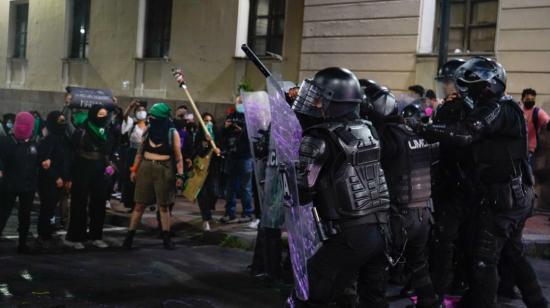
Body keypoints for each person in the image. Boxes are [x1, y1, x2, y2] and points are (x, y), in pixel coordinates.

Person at [420, 57, 547, 308]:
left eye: (469, 86)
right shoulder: (506, 106)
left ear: (485, 86)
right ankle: (537, 301)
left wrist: (424, 128)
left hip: (505, 196)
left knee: (483, 259)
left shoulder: (497, 107)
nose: (462, 91)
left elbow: (464, 133)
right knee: (512, 252)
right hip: (515, 193)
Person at [292, 67, 390, 307]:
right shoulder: (369, 129)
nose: (314, 103)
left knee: (309, 293)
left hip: (348, 234)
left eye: (319, 98)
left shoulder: (318, 137)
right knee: (368, 299)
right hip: (382, 230)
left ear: (333, 101)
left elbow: (302, 190)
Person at [363, 82, 440, 307]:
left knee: (376, 266)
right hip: (423, 213)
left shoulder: (385, 135)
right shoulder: (411, 133)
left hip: (399, 215)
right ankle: (429, 303)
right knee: (419, 265)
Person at [427, 58, 475, 300]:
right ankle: (461, 282)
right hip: (471, 184)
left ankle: (438, 290)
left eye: (447, 82)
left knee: (444, 239)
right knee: (466, 238)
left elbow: (441, 143)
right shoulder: (479, 106)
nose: (445, 87)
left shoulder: (450, 108)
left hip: (451, 181)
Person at [122, 102, 184, 250]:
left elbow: (178, 156)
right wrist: (134, 169)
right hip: (145, 167)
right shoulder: (149, 130)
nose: (150, 118)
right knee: (139, 204)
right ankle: (129, 237)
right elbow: (139, 152)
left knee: (163, 206)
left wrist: (180, 176)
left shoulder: (172, 132)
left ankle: (166, 238)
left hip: (165, 169)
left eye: (154, 116)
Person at [65, 104, 115, 250]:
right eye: (101, 115)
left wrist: (110, 165)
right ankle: (76, 237)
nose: (104, 118)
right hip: (82, 167)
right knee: (79, 202)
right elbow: (72, 150)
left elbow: (110, 148)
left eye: (105, 115)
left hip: (100, 169)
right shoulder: (82, 129)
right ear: (93, 115)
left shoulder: (106, 130)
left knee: (99, 203)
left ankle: (96, 236)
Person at [0, 112, 39, 253]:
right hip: (10, 185)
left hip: (26, 186)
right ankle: (22, 244)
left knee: (23, 216)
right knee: (5, 214)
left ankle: (22, 244)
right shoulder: (6, 141)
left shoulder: (34, 144)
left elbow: (38, 162)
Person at [36, 111, 72, 248]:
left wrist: (67, 178)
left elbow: (66, 160)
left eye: (64, 121)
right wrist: (56, 177)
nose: (62, 124)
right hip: (49, 181)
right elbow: (44, 162)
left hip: (61, 179)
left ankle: (48, 231)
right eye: (59, 121)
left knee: (52, 208)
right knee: (47, 207)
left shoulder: (64, 139)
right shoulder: (48, 140)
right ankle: (43, 234)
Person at [219, 96, 254, 223]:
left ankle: (248, 213)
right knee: (230, 187)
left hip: (245, 156)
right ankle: (229, 213)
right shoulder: (231, 115)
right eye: (238, 102)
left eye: (242, 102)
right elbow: (222, 134)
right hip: (231, 156)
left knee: (246, 187)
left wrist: (242, 130)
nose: (239, 104)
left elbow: (254, 136)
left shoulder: (251, 117)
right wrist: (226, 127)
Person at [193, 112, 221, 231]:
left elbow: (221, 150)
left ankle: (208, 210)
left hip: (213, 169)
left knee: (214, 192)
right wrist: (206, 142)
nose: (208, 123)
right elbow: (198, 151)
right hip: (201, 169)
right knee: (202, 194)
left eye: (210, 121)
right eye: (205, 120)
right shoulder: (199, 135)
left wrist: (218, 149)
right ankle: (206, 218)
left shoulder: (217, 134)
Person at [120, 99, 148, 211]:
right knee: (131, 179)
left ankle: (141, 203)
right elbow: (124, 117)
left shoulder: (149, 126)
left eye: (143, 110)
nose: (141, 112)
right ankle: (131, 203)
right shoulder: (131, 124)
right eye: (139, 110)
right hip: (132, 154)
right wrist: (130, 106)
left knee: (143, 181)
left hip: (145, 155)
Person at [520, 88, 550, 169]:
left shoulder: (537, 112)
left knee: (528, 172)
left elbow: (547, 121)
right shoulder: (518, 110)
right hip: (517, 148)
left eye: (532, 99)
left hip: (530, 149)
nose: (530, 101)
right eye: (528, 99)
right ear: (522, 99)